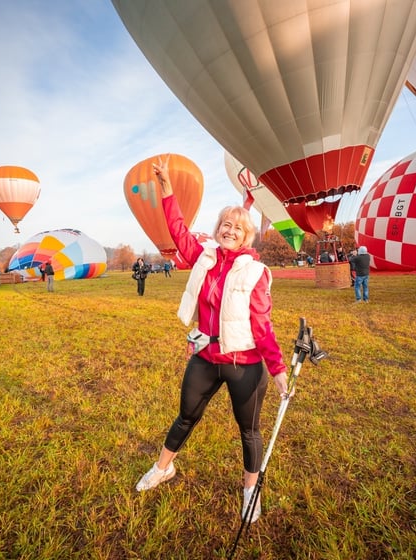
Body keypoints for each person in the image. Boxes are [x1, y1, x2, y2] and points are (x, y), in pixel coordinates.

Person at [134, 157, 290, 524]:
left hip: (244, 365)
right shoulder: (203, 258)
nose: (229, 230)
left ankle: (251, 490)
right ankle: (163, 468)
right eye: (225, 225)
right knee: (185, 416)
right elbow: (177, 230)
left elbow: (262, 326)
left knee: (248, 430)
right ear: (217, 229)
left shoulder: (256, 272)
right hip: (206, 356)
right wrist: (167, 188)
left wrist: (278, 369)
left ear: (247, 235)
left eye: (237, 227)